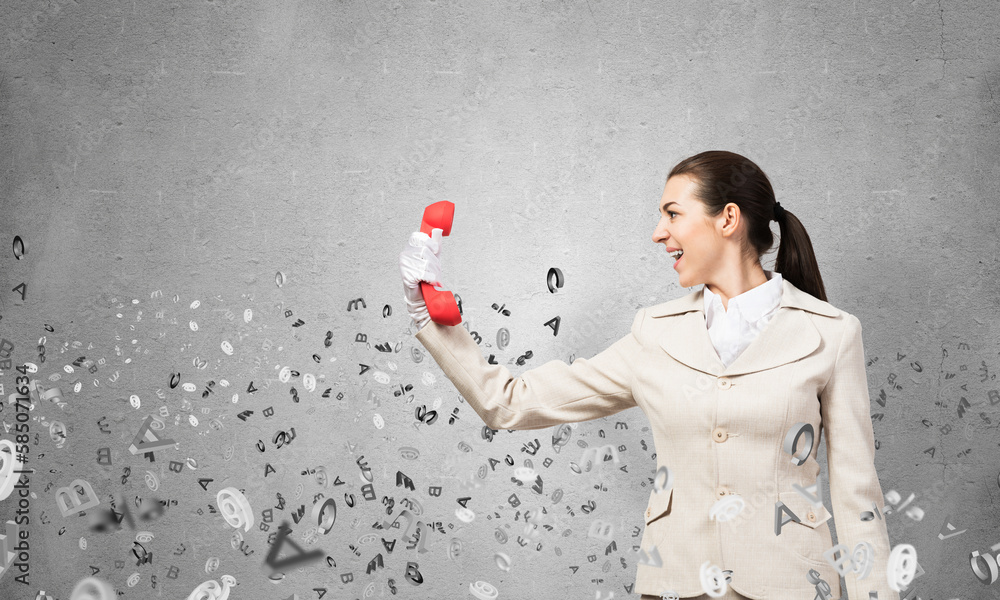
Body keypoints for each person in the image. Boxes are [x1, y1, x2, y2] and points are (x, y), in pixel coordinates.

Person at [399, 150, 901, 600]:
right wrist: (427, 316)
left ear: (728, 219)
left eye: (672, 214)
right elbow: (509, 403)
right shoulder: (653, 334)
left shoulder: (832, 335)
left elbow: (858, 498)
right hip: (675, 586)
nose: (658, 232)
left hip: (791, 587)